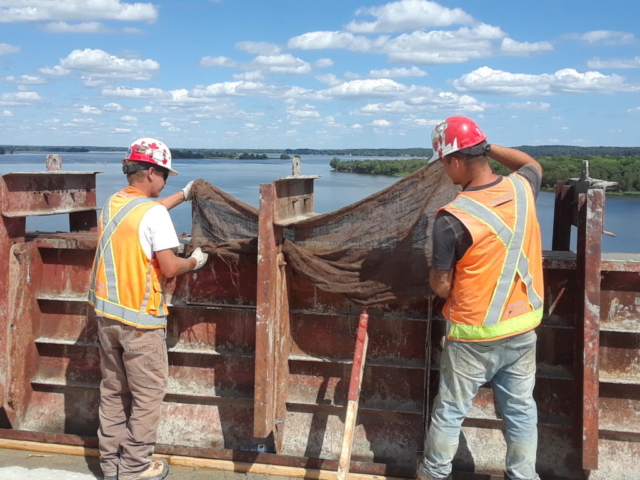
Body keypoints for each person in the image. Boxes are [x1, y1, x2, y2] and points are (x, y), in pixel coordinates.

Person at [418, 117, 543, 480]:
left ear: (455, 161)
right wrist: (486, 145)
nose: (444, 171)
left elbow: (441, 284)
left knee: (450, 411)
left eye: (443, 162)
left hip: (474, 335)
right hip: (522, 328)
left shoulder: (452, 217)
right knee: (520, 411)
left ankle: (434, 473)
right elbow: (531, 164)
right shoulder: (522, 189)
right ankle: (523, 476)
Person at [88, 138, 208, 480]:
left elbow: (145, 214)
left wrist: (182, 196)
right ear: (151, 172)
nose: (166, 182)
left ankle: (111, 466)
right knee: (147, 397)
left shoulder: (115, 203)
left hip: (107, 317)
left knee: (112, 391)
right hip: (140, 324)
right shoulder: (151, 213)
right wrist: (195, 262)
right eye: (165, 176)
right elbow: (170, 267)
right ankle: (135, 469)